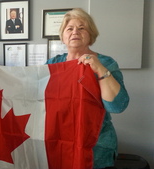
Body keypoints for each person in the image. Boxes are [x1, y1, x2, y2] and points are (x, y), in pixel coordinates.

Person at [45, 8, 129, 169]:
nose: (75, 32)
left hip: (96, 148)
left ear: (91, 35)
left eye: (82, 28)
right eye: (69, 28)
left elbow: (118, 106)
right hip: (60, 143)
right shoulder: (52, 64)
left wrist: (100, 70)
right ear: (63, 36)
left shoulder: (106, 62)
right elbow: (31, 91)